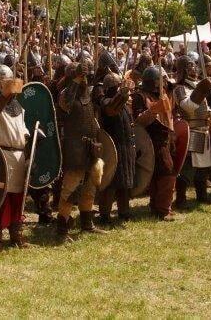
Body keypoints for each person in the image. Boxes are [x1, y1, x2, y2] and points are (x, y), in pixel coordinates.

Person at [0, 65, 30, 248]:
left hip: (18, 156)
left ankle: (16, 234)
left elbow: (23, 131)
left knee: (18, 198)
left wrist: (30, 142)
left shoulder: (17, 106)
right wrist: (5, 95)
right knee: (0, 198)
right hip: (0, 156)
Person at [55, 59, 103, 240]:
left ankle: (87, 223)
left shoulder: (87, 96)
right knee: (70, 189)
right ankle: (62, 229)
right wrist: (76, 79)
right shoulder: (65, 94)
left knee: (90, 188)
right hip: (74, 148)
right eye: (81, 76)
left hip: (90, 147)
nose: (85, 80)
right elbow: (66, 104)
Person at [130, 66, 177, 219]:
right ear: (153, 82)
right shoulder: (140, 96)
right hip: (150, 139)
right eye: (160, 80)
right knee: (167, 172)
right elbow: (137, 121)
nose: (163, 83)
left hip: (164, 139)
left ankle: (157, 206)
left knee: (159, 173)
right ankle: (164, 209)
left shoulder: (162, 94)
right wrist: (153, 110)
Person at [173, 55, 211, 206]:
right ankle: (181, 198)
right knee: (187, 167)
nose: (194, 68)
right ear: (183, 70)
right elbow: (187, 106)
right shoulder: (179, 88)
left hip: (204, 130)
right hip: (191, 131)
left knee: (203, 167)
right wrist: (200, 91)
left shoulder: (197, 85)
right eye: (190, 66)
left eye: (194, 65)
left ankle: (202, 195)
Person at [96, 71, 135, 223]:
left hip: (125, 147)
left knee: (124, 183)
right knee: (110, 184)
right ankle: (104, 214)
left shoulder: (124, 104)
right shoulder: (106, 102)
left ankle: (124, 212)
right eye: (117, 86)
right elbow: (112, 108)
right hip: (114, 148)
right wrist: (122, 94)